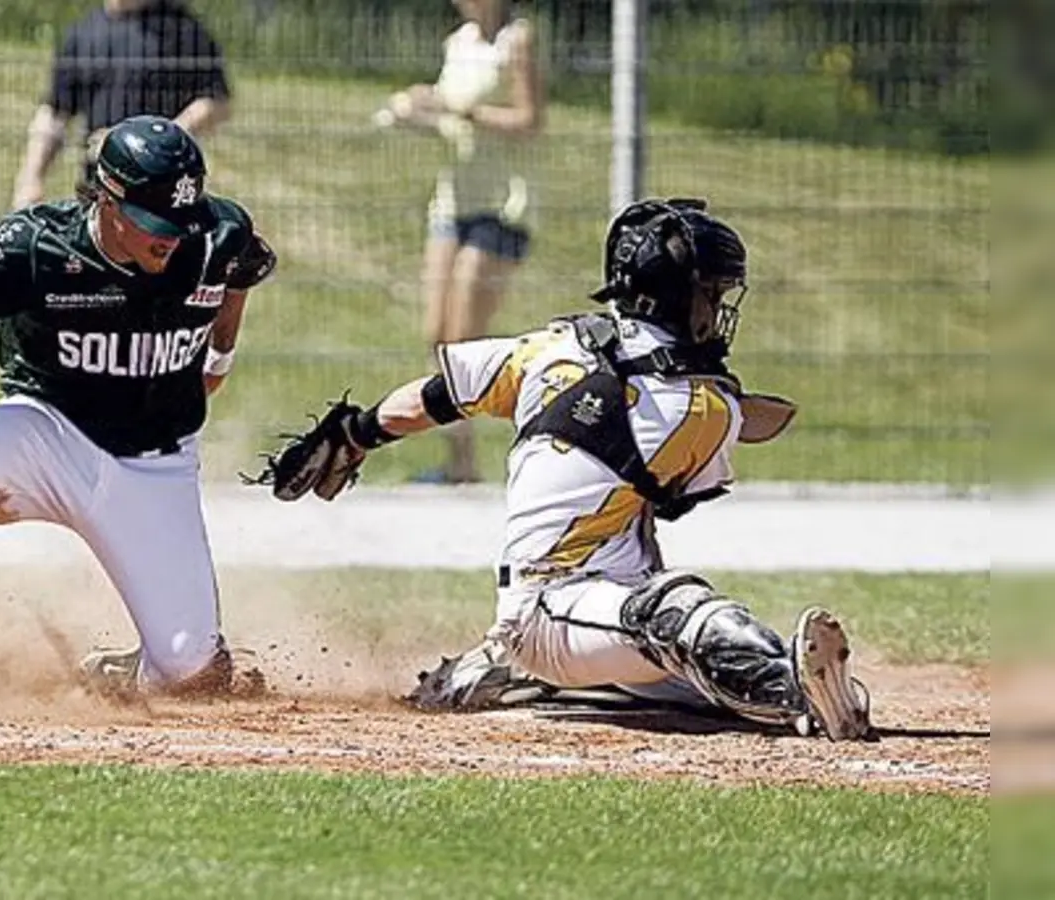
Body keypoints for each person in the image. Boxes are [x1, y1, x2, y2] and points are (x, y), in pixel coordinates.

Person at [253, 198, 873, 740]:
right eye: (710, 292)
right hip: (553, 607)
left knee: (705, 649)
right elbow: (695, 474)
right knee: (679, 609)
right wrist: (729, 406)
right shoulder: (702, 405)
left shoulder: (554, 346)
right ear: (678, 294)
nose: (716, 308)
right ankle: (800, 698)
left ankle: (541, 674)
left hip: (601, 611)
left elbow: (439, 396)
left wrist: (356, 433)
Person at [0, 116, 277, 699]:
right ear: (107, 199)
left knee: (193, 677)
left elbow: (239, 273)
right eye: (154, 222)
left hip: (154, 464)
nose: (172, 237)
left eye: (182, 222)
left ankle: (126, 672)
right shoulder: (36, 246)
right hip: (44, 437)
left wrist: (218, 359)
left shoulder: (216, 233)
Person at [378, 0, 545, 484]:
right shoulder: (460, 42)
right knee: (437, 335)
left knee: (465, 340)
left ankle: (517, 451)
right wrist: (419, 109)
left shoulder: (518, 39)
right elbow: (452, 116)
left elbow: (529, 120)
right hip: (453, 202)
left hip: (502, 205)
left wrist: (459, 110)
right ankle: (461, 463)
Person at [12, 0, 233, 211]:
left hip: (161, 199)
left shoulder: (184, 31)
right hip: (99, 194)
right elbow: (55, 113)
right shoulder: (83, 33)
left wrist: (150, 144)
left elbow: (216, 102)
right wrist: (31, 178)